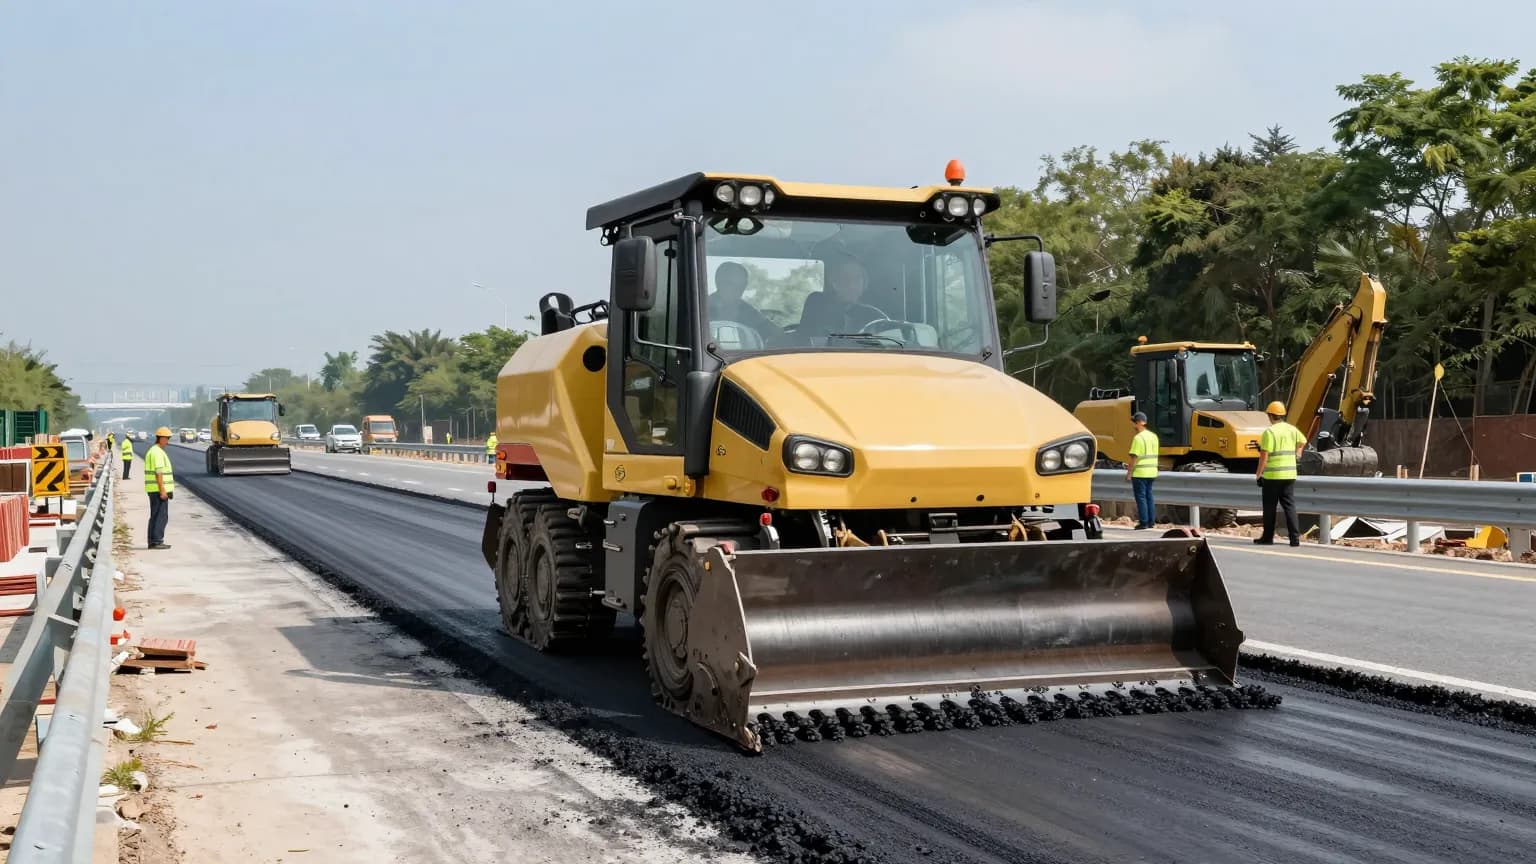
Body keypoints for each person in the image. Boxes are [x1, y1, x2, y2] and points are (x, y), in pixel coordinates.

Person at [798, 253, 887, 340]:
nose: (852, 285)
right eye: (845, 278)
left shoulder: (874, 316)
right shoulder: (817, 308)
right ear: (833, 282)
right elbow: (806, 341)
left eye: (857, 279)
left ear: (864, 283)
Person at [1255, 400, 1305, 546]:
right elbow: (1302, 442)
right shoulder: (1291, 429)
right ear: (1282, 415)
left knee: (1270, 507)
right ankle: (1294, 539)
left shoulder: (1269, 432)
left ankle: (1268, 538)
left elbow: (1264, 456)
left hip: (1272, 477)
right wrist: (1297, 455)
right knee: (1289, 506)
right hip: (1290, 475)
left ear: (1270, 415)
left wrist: (1258, 475)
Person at [708, 262, 782, 345]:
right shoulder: (700, 309)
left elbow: (776, 333)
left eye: (742, 285)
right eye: (731, 284)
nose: (738, 290)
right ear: (718, 282)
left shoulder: (747, 311)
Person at [1125, 411, 1159, 529]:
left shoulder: (1138, 438)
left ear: (1139, 423)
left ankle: (1144, 522)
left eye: (1134, 422)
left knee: (1141, 498)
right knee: (1149, 496)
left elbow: (1134, 457)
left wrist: (1129, 472)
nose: (1133, 425)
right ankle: (1151, 521)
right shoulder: (1154, 436)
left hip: (1140, 473)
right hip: (1152, 472)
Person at [144, 427, 175, 550]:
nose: (168, 440)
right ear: (160, 438)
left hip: (154, 489)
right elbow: (159, 473)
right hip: (158, 490)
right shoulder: (156, 452)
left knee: (155, 515)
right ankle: (156, 541)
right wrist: (163, 490)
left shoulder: (155, 451)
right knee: (160, 516)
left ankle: (153, 541)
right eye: (167, 438)